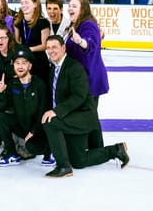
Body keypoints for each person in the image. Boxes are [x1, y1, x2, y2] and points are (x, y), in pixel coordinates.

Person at [41, 35, 129, 178]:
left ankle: (63, 167)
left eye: (54, 47)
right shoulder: (54, 69)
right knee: (79, 161)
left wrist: (56, 111)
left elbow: (79, 97)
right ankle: (116, 150)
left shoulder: (74, 67)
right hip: (70, 117)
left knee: (51, 123)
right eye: (48, 48)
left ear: (63, 48)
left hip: (83, 116)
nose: (51, 51)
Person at [0, 48, 50, 167]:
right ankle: (11, 154)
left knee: (33, 147)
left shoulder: (39, 84)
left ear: (30, 66)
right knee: (1, 117)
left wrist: (33, 131)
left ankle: (48, 154)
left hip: (37, 129)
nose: (20, 66)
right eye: (17, 63)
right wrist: (0, 93)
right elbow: (4, 107)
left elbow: (43, 111)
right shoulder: (12, 84)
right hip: (21, 125)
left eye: (24, 63)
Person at [13, 0, 51, 81]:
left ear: (35, 4)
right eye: (22, 3)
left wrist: (29, 49)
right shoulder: (18, 22)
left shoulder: (43, 22)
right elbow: (17, 41)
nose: (23, 5)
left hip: (39, 61)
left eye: (26, 2)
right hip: (25, 60)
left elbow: (44, 45)